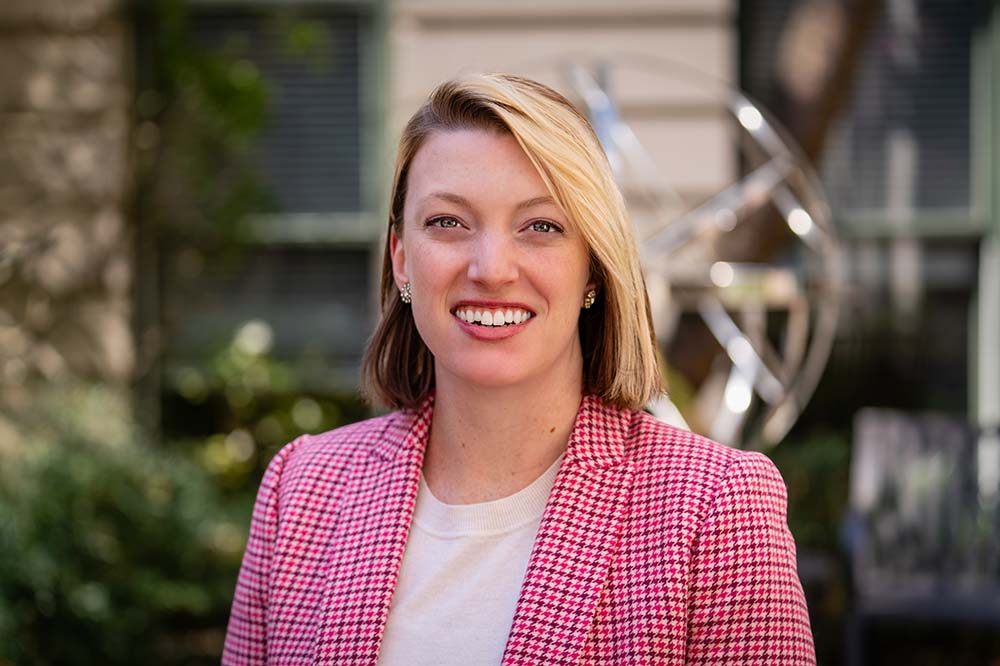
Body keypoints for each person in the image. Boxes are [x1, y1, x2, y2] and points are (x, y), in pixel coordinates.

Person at [223, 74, 816, 665]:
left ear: (592, 267)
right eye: (448, 222)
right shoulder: (301, 491)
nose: (492, 268)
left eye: (541, 226)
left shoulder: (716, 508)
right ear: (402, 259)